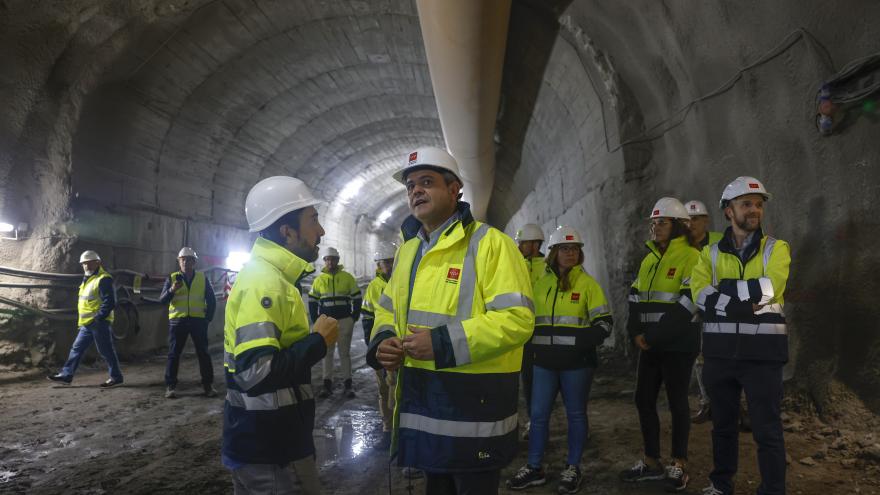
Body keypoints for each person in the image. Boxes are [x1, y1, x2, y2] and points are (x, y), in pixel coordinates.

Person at [366, 146, 534, 494]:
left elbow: (518, 320)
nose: (415, 191)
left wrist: (442, 342)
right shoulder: (409, 251)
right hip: (424, 406)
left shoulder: (492, 245)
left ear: (455, 188)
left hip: (473, 411)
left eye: (426, 182)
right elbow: (386, 306)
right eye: (410, 185)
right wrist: (383, 340)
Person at [222, 176, 339, 495]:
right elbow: (254, 374)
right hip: (273, 450)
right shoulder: (267, 284)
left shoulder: (274, 279)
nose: (322, 231)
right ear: (287, 232)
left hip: (263, 442)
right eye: (313, 220)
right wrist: (318, 342)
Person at [691, 177, 790, 495]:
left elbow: (770, 288)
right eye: (747, 203)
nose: (755, 210)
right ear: (728, 211)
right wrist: (741, 303)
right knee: (722, 427)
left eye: (759, 204)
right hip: (720, 355)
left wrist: (723, 294)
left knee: (768, 430)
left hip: (763, 356)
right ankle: (721, 484)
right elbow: (698, 294)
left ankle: (773, 490)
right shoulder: (709, 255)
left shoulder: (777, 249)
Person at [506, 226, 612, 494]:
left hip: (577, 364)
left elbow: (605, 323)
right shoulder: (540, 285)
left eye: (575, 249)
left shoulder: (588, 285)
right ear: (553, 252)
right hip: (543, 363)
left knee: (576, 415)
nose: (571, 253)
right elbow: (525, 320)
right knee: (538, 416)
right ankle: (534, 467)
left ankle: (573, 467)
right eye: (565, 248)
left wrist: (581, 343)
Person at [620, 198, 701, 492]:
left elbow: (687, 305)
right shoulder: (649, 259)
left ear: (679, 226)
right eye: (654, 222)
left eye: (662, 222)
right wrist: (635, 331)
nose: (656, 227)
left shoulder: (691, 258)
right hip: (650, 345)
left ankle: (679, 463)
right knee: (643, 400)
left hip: (678, 345)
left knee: (678, 403)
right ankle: (651, 460)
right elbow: (635, 298)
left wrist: (650, 337)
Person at [48, 250, 123, 388]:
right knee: (76, 349)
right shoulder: (87, 279)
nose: (86, 266)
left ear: (98, 263)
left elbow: (110, 301)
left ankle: (116, 377)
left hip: (99, 323)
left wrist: (99, 317)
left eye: (89, 263)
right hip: (87, 324)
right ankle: (66, 375)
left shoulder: (104, 279)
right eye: (84, 264)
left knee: (105, 351)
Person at [158, 247, 217, 398]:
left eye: (189, 259)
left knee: (203, 353)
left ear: (194, 262)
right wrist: (172, 289)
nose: (185, 262)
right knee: (174, 355)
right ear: (179, 262)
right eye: (182, 259)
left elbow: (211, 300)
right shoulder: (172, 278)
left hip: (198, 322)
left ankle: (208, 385)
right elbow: (162, 300)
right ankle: (170, 386)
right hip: (178, 321)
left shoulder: (202, 278)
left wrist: (207, 319)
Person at [683, 199, 721, 424]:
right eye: (687, 220)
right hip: (692, 309)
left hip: (720, 306)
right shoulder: (679, 248)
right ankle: (707, 403)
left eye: (695, 219)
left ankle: (736, 405)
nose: (691, 224)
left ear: (706, 221)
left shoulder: (720, 242)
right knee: (699, 359)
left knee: (728, 357)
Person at [309, 246, 362, 398]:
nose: (330, 262)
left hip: (345, 320)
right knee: (327, 353)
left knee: (344, 353)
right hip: (327, 323)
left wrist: (354, 317)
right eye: (327, 259)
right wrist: (316, 319)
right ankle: (327, 385)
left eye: (332, 259)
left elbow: (357, 297)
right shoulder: (319, 280)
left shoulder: (347, 277)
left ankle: (348, 384)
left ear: (337, 260)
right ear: (324, 261)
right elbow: (312, 300)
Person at [361, 243, 397, 450]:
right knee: (384, 390)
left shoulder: (405, 282)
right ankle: (387, 430)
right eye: (384, 263)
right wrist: (373, 349)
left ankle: (401, 432)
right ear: (378, 265)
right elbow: (367, 319)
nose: (388, 267)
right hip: (380, 348)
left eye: (391, 262)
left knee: (397, 390)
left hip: (401, 347)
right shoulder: (374, 287)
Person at [514, 223, 546, 439]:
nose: (520, 247)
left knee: (548, 381)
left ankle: (543, 421)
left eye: (523, 243)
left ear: (535, 244)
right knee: (528, 381)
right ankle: (534, 423)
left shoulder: (549, 265)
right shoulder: (516, 265)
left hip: (546, 332)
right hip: (523, 333)